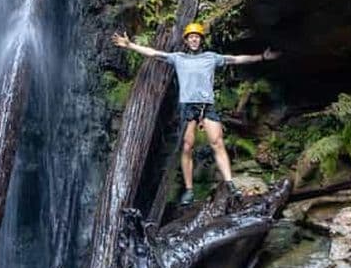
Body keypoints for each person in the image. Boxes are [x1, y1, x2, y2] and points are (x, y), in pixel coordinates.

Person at [112, 22, 280, 205]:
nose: (194, 39)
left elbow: (236, 59)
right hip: (187, 106)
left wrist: (262, 57)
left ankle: (230, 183)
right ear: (186, 40)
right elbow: (154, 53)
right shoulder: (178, 58)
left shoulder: (211, 57)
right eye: (191, 37)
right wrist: (130, 45)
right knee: (187, 147)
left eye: (197, 37)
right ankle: (189, 190)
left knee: (217, 143)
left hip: (207, 105)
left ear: (201, 40)